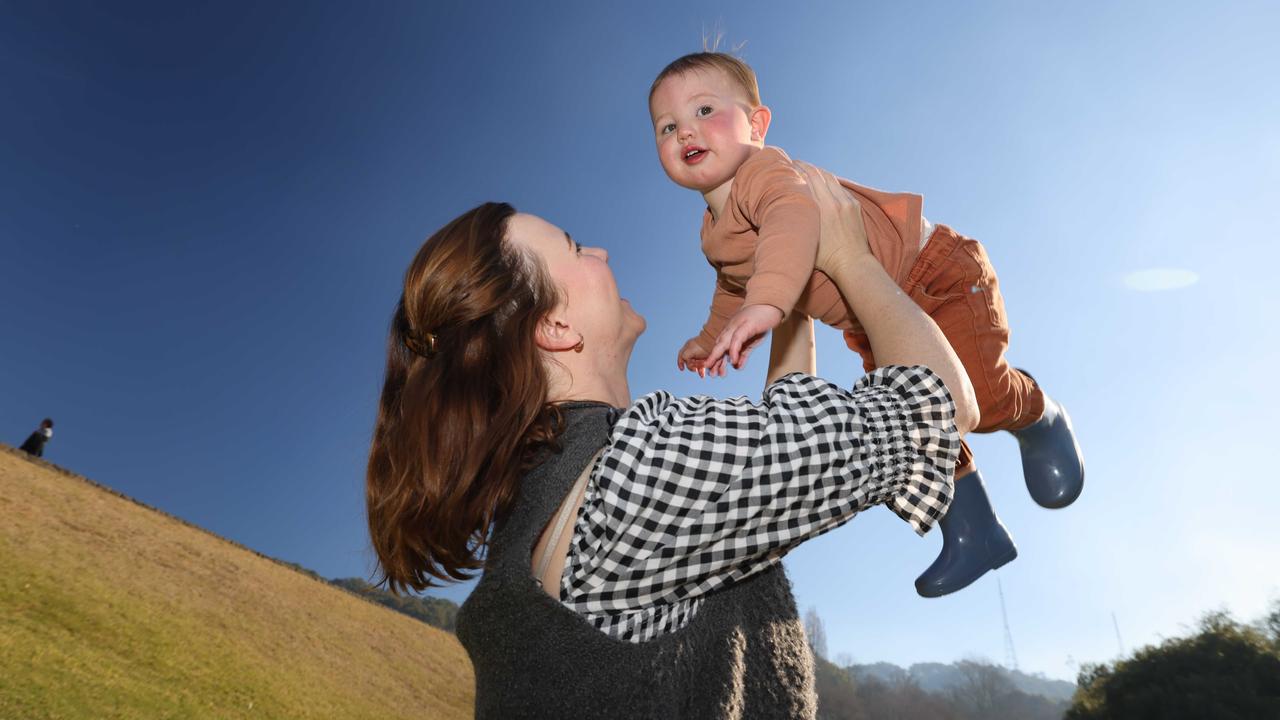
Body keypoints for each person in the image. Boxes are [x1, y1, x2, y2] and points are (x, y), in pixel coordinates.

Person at [365, 169, 978, 718]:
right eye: (576, 250)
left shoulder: (556, 491)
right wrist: (848, 255)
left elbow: (790, 432)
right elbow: (941, 407)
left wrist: (787, 288)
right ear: (553, 326)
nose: (600, 251)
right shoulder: (640, 472)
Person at [648, 52, 1085, 598]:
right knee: (909, 416)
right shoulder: (713, 233)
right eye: (668, 127)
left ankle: (1040, 416)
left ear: (756, 125)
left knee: (978, 396)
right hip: (870, 313)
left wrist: (770, 304)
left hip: (931, 272)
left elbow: (792, 222)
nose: (685, 129)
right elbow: (731, 286)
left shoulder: (766, 174)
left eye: (705, 109)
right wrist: (711, 337)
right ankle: (974, 529)